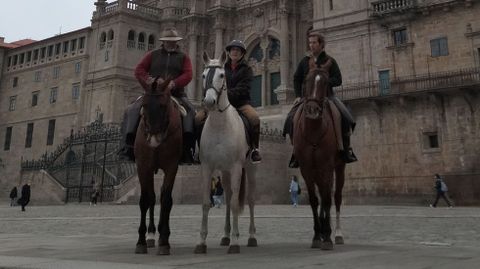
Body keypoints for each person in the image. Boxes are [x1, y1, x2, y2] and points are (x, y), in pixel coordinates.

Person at [119, 28, 195, 165]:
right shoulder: (152, 55)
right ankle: (127, 148)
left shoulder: (184, 57)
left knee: (191, 112)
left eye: (173, 42)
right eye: (167, 41)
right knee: (131, 110)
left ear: (176, 42)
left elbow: (188, 74)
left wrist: (174, 83)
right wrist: (149, 81)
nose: (170, 44)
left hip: (176, 95)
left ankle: (187, 150)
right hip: (153, 94)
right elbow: (139, 70)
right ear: (163, 41)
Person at [283, 33, 357, 168]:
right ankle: (296, 152)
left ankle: (346, 149)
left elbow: (338, 79)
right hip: (307, 98)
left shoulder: (330, 60)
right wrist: (298, 95)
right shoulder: (304, 61)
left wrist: (324, 82)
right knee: (290, 119)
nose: (311, 45)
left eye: (314, 43)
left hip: (328, 96)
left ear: (321, 44)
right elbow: (296, 78)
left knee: (346, 117)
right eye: (310, 43)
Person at [196, 39, 262, 163]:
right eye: (232, 50)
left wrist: (225, 96)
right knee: (198, 118)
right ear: (229, 53)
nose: (234, 52)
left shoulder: (247, 69)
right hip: (218, 103)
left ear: (242, 53)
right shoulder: (220, 67)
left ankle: (254, 149)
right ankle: (199, 149)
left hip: (240, 103)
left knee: (254, 119)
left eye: (238, 50)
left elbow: (244, 88)